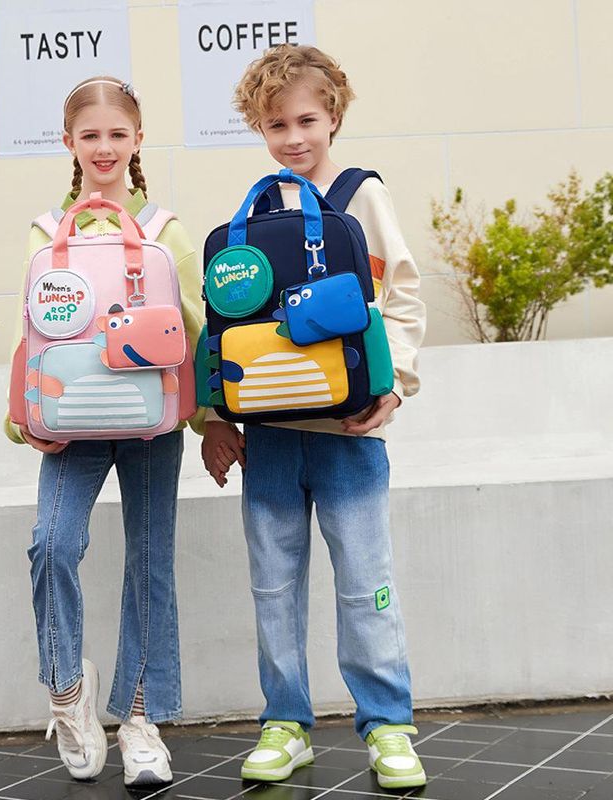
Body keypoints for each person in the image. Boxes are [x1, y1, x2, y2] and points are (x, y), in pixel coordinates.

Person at [201, 45, 428, 791]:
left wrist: (394, 385)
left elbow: (401, 298)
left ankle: (388, 726)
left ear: (334, 116)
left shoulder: (362, 197)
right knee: (273, 585)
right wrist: (215, 418)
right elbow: (225, 327)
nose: (294, 137)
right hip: (269, 437)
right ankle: (286, 723)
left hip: (349, 435)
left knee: (366, 582)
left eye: (306, 120)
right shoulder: (258, 212)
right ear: (257, 128)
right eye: (276, 124)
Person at [4, 76, 205, 787]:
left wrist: (211, 422)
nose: (105, 148)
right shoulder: (44, 234)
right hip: (70, 421)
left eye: (118, 134)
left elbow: (195, 333)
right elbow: (31, 334)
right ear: (69, 144)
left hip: (152, 424)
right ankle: (67, 693)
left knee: (150, 564)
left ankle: (141, 721)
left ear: (138, 140)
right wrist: (21, 417)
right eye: (90, 136)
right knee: (52, 543)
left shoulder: (163, 231)